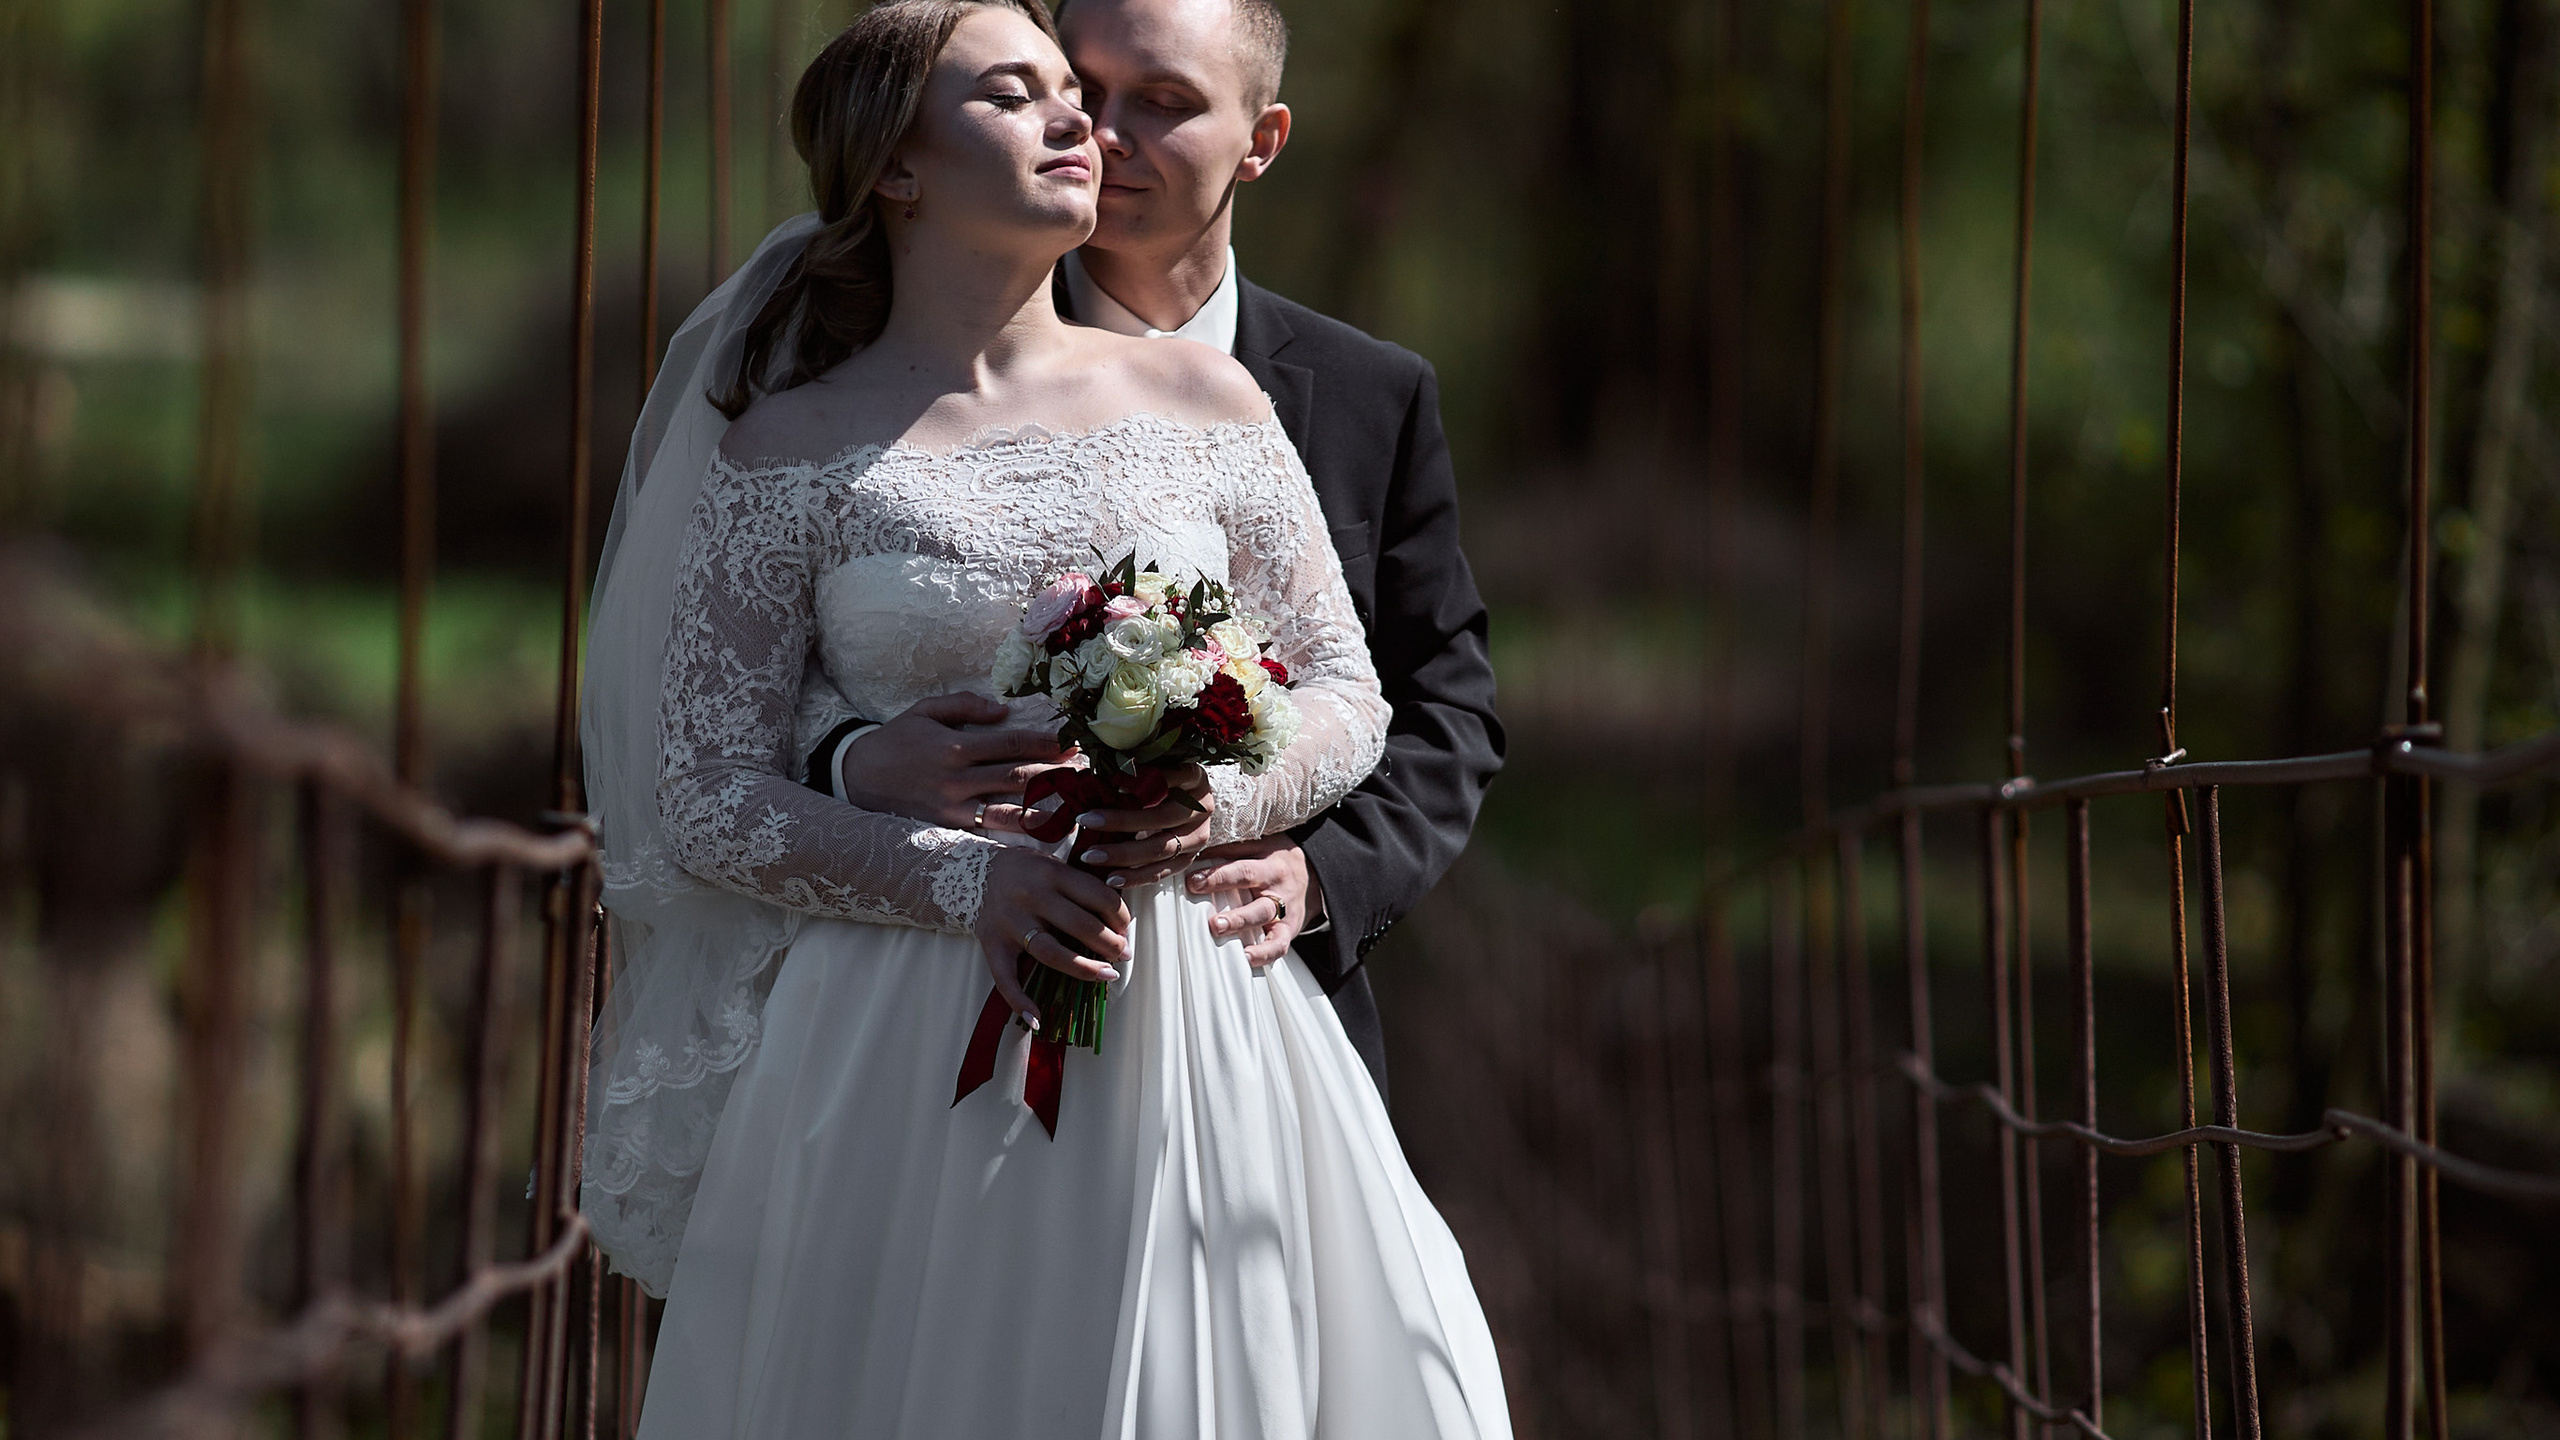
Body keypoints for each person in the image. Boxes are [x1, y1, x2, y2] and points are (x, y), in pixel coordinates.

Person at [577, 2, 1513, 1435]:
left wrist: (1222, 799)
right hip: (886, 1036)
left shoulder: (1212, 396)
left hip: (1191, 1011)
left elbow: (1351, 686)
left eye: (1082, 92)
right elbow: (700, 793)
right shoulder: (790, 445)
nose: (1081, 121)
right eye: (1024, 95)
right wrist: (970, 880)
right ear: (897, 168)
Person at [792, 0, 1503, 1101]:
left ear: (1260, 143)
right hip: (907, 1010)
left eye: (1163, 103)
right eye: (1081, 88)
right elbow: (754, 675)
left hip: (1237, 1004)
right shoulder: (867, 369)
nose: (1099, 131)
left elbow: (1438, 705)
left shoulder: (1371, 398)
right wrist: (849, 758)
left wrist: (1315, 873)